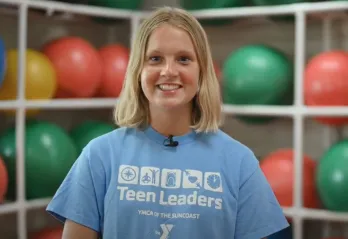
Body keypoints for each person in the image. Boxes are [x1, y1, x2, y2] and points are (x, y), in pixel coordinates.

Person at [46, 6, 289, 239]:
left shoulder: (239, 162)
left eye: (183, 59)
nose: (168, 71)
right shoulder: (99, 155)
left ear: (202, 72)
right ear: (138, 70)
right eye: (155, 59)